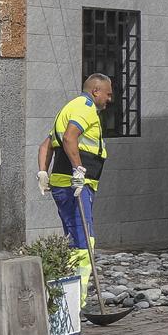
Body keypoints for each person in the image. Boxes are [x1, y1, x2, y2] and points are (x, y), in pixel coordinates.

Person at [37, 74, 114, 289]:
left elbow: (46, 146)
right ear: (96, 90)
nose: (109, 99)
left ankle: (68, 294)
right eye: (108, 94)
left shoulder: (70, 107)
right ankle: (76, 300)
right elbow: (70, 137)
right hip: (76, 186)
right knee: (84, 243)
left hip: (65, 185)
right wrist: (78, 171)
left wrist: (43, 172)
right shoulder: (85, 107)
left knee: (73, 239)